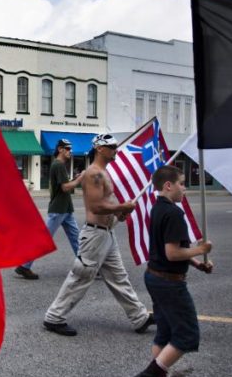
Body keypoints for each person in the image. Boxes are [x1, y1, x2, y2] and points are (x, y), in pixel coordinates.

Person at [42, 133, 154, 336]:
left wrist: (121, 212)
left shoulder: (103, 173)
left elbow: (107, 205)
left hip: (106, 235)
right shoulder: (94, 173)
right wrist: (122, 206)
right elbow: (95, 207)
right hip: (95, 236)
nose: (115, 150)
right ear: (100, 149)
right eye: (111, 147)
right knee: (81, 277)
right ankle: (54, 317)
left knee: (119, 278)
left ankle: (139, 318)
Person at [129, 165, 213, 377]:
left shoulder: (158, 208)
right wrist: (201, 250)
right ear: (168, 185)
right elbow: (173, 252)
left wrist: (196, 263)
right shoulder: (174, 213)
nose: (185, 188)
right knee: (187, 335)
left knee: (165, 333)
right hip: (168, 282)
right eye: (182, 183)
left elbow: (169, 248)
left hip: (155, 276)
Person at [15, 138, 84, 280]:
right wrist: (80, 179)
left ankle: (86, 267)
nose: (70, 151)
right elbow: (65, 187)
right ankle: (24, 266)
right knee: (44, 239)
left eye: (70, 149)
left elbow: (63, 185)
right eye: (67, 149)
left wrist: (74, 179)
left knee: (77, 239)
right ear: (60, 149)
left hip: (65, 209)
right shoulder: (58, 165)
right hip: (59, 209)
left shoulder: (59, 165)